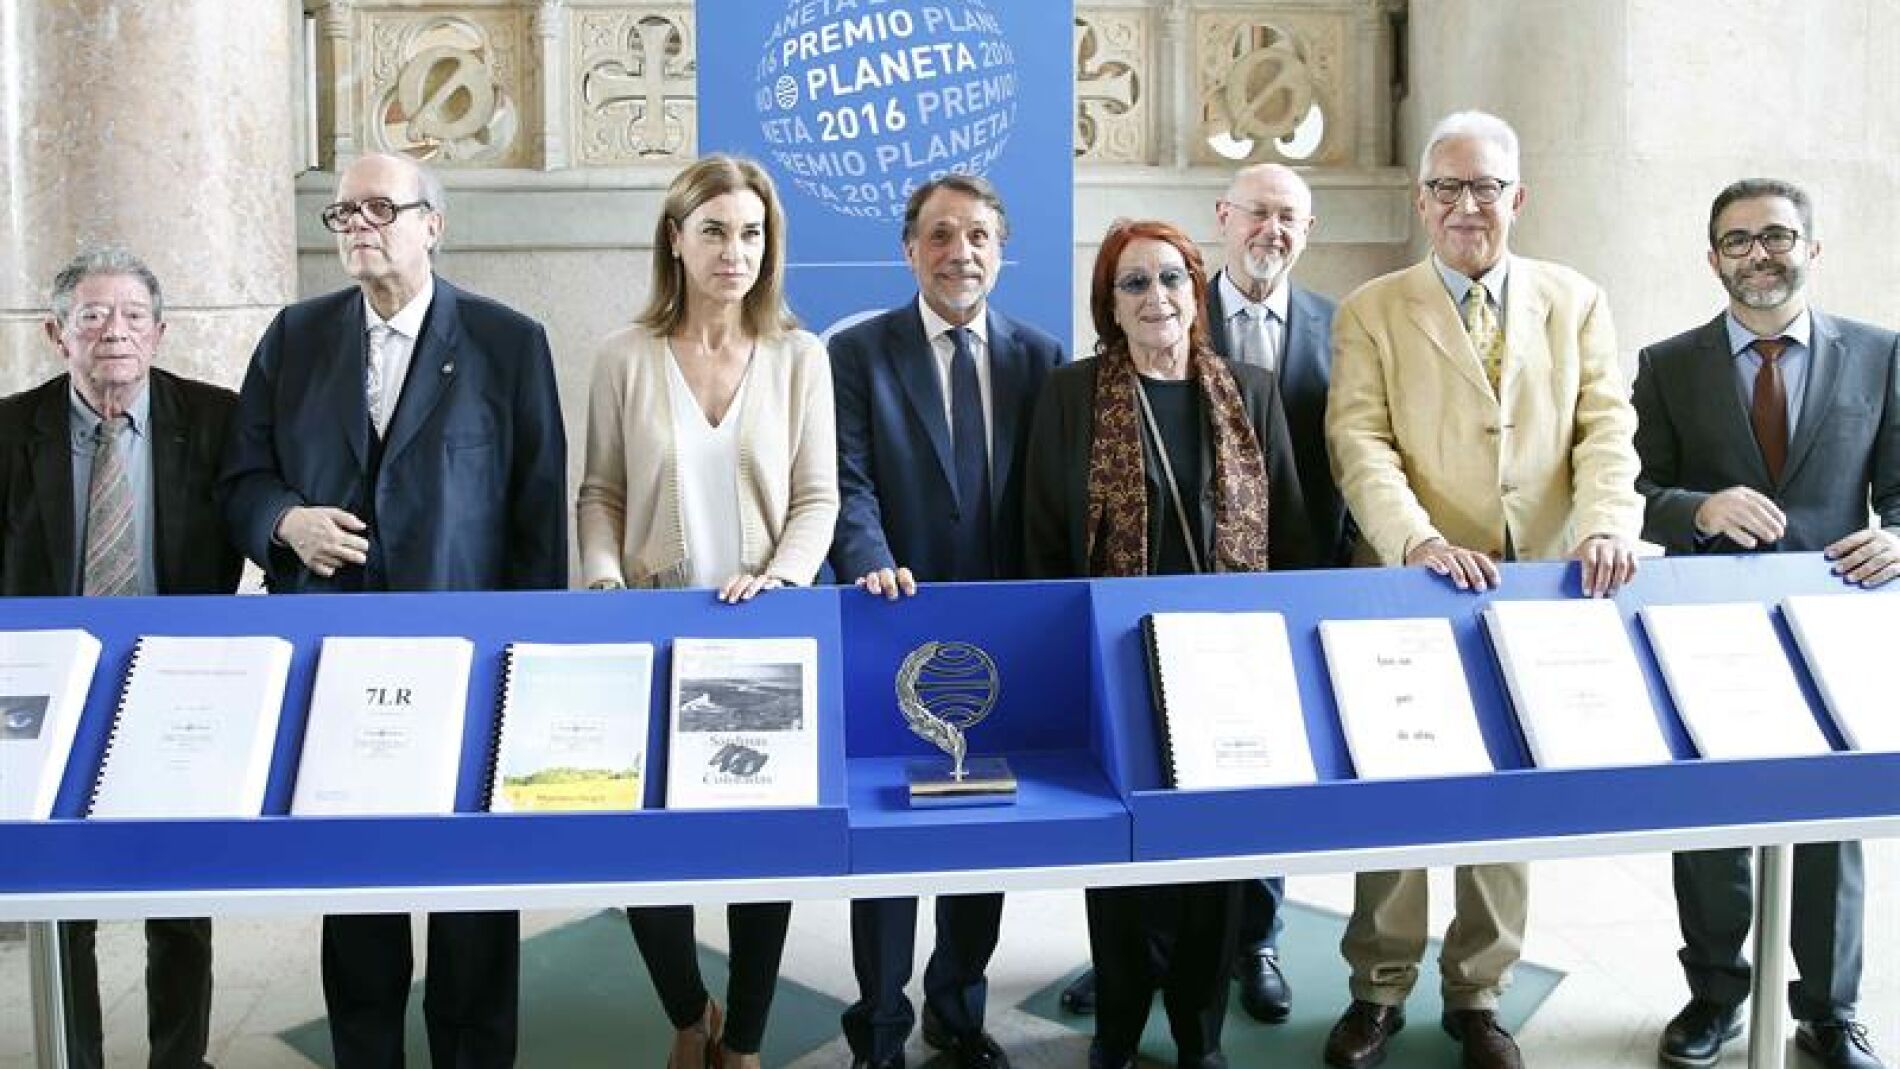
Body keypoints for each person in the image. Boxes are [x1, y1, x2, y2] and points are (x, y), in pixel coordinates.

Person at [219, 153, 567, 1068]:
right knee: (360, 907)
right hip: (334, 666)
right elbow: (241, 481)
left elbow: (538, 519)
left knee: (474, 917)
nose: (361, 225)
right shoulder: (292, 339)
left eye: (381, 207)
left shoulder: (508, 340)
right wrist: (285, 521)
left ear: (432, 224)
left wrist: (528, 674)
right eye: (344, 213)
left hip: (468, 667)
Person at [1322, 110, 1643, 1069]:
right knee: (1397, 784)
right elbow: (1359, 441)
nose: (1470, 206)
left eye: (1487, 187)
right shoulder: (1372, 307)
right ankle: (1377, 985)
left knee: (1508, 793)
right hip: (1410, 585)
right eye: (1449, 188)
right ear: (1422, 201)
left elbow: (1605, 429)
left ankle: (1479, 991)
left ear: (1518, 197)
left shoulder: (1574, 299)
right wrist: (1415, 538)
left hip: (1536, 584)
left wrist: (1604, 526)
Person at [1023, 218, 1311, 1069]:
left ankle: (1199, 1032)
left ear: (1197, 290)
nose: (1157, 298)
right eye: (1134, 283)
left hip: (1227, 665)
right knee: (1123, 860)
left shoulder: (1251, 390)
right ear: (1109, 306)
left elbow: (1288, 528)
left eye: (1173, 279)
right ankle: (1116, 1028)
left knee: (1215, 861)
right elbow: (1041, 535)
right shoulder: (1071, 395)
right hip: (1113, 664)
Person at [576, 153, 837, 1069]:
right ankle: (691, 1012)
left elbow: (819, 499)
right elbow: (599, 492)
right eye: (717, 230)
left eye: (753, 233)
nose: (737, 251)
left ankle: (750, 1040)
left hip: (763, 633)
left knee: (762, 849)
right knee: (651, 850)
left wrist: (783, 584)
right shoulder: (622, 357)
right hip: (652, 628)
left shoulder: (803, 356)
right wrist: (605, 583)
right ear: (676, 240)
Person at [1633, 177, 1891, 1069]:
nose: (1760, 254)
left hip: (1836, 620)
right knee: (1708, 822)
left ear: (1812, 250)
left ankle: (1829, 1010)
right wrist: (1700, 510)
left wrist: (1898, 537)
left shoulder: (1882, 354)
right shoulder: (1667, 363)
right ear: (1713, 260)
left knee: (1829, 826)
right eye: (1738, 241)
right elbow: (1638, 495)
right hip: (1710, 626)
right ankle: (1713, 995)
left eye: (1778, 236)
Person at [828, 174, 1063, 1069]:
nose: (958, 252)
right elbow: (847, 482)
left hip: (1004, 633)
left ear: (1000, 251)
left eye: (976, 236)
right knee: (888, 832)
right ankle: (878, 1030)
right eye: (939, 235)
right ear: (909, 250)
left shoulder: (1042, 360)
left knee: (982, 825)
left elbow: (1050, 498)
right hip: (891, 619)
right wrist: (870, 562)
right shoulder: (856, 355)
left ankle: (957, 1013)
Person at [1, 247, 239, 1069]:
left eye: (134, 316)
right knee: (64, 891)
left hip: (175, 683)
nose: (116, 332)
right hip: (49, 686)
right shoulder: (6, 432)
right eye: (94, 316)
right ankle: (76, 1053)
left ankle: (181, 1057)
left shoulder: (214, 421)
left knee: (178, 890)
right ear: (55, 333)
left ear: (161, 332)